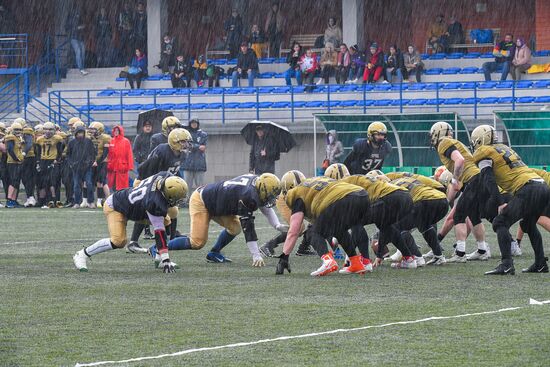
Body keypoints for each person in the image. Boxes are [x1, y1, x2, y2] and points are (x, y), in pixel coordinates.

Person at [470, 124, 550, 275]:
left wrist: (499, 202)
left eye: (475, 140)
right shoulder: (504, 148)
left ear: (481, 140)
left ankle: (506, 264)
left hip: (528, 188)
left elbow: (489, 179)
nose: (474, 144)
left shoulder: (484, 152)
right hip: (542, 185)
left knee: (500, 222)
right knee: (528, 223)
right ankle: (540, 264)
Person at [72, 172, 188, 273]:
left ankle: (159, 259)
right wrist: (167, 259)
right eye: (177, 198)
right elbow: (159, 233)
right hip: (116, 206)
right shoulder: (154, 202)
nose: (178, 201)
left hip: (135, 206)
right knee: (119, 241)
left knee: (167, 220)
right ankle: (82, 254)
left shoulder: (164, 177)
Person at [164, 173, 286, 265]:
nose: (272, 199)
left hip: (220, 204)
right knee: (197, 242)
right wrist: (256, 255)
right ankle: (160, 247)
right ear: (263, 189)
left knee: (235, 228)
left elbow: (263, 205)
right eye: (271, 196)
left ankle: (214, 253)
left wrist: (277, 225)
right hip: (202, 201)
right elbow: (248, 229)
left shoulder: (257, 184)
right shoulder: (248, 196)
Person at [274, 176, 373, 276]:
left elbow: (294, 230)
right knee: (339, 229)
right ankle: (356, 263)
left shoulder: (295, 194)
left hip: (343, 199)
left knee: (312, 232)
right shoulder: (314, 182)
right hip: (363, 197)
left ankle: (328, 261)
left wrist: (284, 257)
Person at [429, 121, 489, 263]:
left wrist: (455, 179)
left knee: (459, 216)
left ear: (438, 133)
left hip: (473, 179)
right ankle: (482, 250)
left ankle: (460, 253)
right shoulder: (455, 142)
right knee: (474, 216)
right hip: (480, 178)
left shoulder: (444, 142)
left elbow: (460, 160)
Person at [127, 128, 192, 254]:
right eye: (183, 141)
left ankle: (171, 240)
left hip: (161, 183)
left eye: (187, 142)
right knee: (144, 212)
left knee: (173, 211)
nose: (186, 144)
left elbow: (173, 170)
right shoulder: (162, 150)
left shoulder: (182, 154)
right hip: (146, 182)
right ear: (174, 141)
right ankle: (133, 242)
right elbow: (145, 169)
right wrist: (154, 188)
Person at [36, 122, 65, 209]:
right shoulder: (39, 139)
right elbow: (37, 152)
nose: (48, 131)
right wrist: (38, 163)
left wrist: (57, 160)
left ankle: (54, 200)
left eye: (50, 129)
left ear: (54, 130)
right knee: (43, 182)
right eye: (46, 129)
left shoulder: (58, 138)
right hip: (43, 161)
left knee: (53, 181)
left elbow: (60, 151)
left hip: (53, 161)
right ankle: (44, 201)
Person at [67, 123, 96, 209]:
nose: (80, 134)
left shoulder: (88, 142)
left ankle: (91, 202)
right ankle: (77, 202)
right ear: (76, 133)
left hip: (87, 167)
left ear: (84, 133)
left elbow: (93, 153)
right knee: (76, 185)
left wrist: (90, 162)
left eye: (82, 133)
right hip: (76, 168)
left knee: (89, 183)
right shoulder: (72, 142)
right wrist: (71, 164)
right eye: (79, 133)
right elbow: (68, 154)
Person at [88, 122, 111, 208]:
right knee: (93, 181)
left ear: (100, 130)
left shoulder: (105, 138)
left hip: (102, 162)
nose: (92, 131)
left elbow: (105, 153)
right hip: (92, 162)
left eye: (94, 129)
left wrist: (97, 162)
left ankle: (100, 200)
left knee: (100, 181)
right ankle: (92, 200)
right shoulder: (90, 138)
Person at [182, 118, 207, 193]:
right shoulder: (186, 134)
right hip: (187, 164)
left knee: (200, 187)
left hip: (199, 164)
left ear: (198, 124)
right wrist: (197, 146)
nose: (194, 124)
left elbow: (203, 147)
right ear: (190, 124)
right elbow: (186, 145)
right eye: (192, 123)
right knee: (186, 187)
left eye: (195, 123)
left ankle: (199, 202)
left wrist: (192, 146)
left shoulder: (203, 134)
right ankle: (186, 203)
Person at [4, 122, 24, 208]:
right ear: (12, 130)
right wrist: (16, 159)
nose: (18, 131)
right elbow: (10, 150)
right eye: (16, 129)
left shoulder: (18, 138)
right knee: (13, 181)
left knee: (16, 182)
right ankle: (9, 200)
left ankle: (13, 200)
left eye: (19, 129)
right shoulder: (10, 137)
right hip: (12, 163)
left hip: (18, 162)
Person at [107, 125, 134, 191]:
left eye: (117, 130)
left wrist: (130, 166)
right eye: (115, 130)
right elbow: (109, 154)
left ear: (120, 131)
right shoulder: (111, 141)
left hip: (122, 167)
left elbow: (129, 154)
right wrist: (108, 164)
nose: (116, 132)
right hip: (112, 167)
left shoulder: (126, 141)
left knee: (122, 186)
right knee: (113, 185)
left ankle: (122, 199)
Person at [65, 6, 88, 75]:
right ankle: (81, 69)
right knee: (78, 51)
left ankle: (82, 67)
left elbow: (83, 25)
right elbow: (67, 27)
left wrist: (82, 26)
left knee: (83, 52)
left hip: (80, 37)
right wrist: (75, 28)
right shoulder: (69, 17)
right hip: (73, 38)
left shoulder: (79, 16)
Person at [21, 124, 37, 207]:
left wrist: (24, 152)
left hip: (29, 157)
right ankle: (29, 197)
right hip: (24, 158)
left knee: (28, 178)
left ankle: (31, 197)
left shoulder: (27, 132)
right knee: (24, 179)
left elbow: (29, 143)